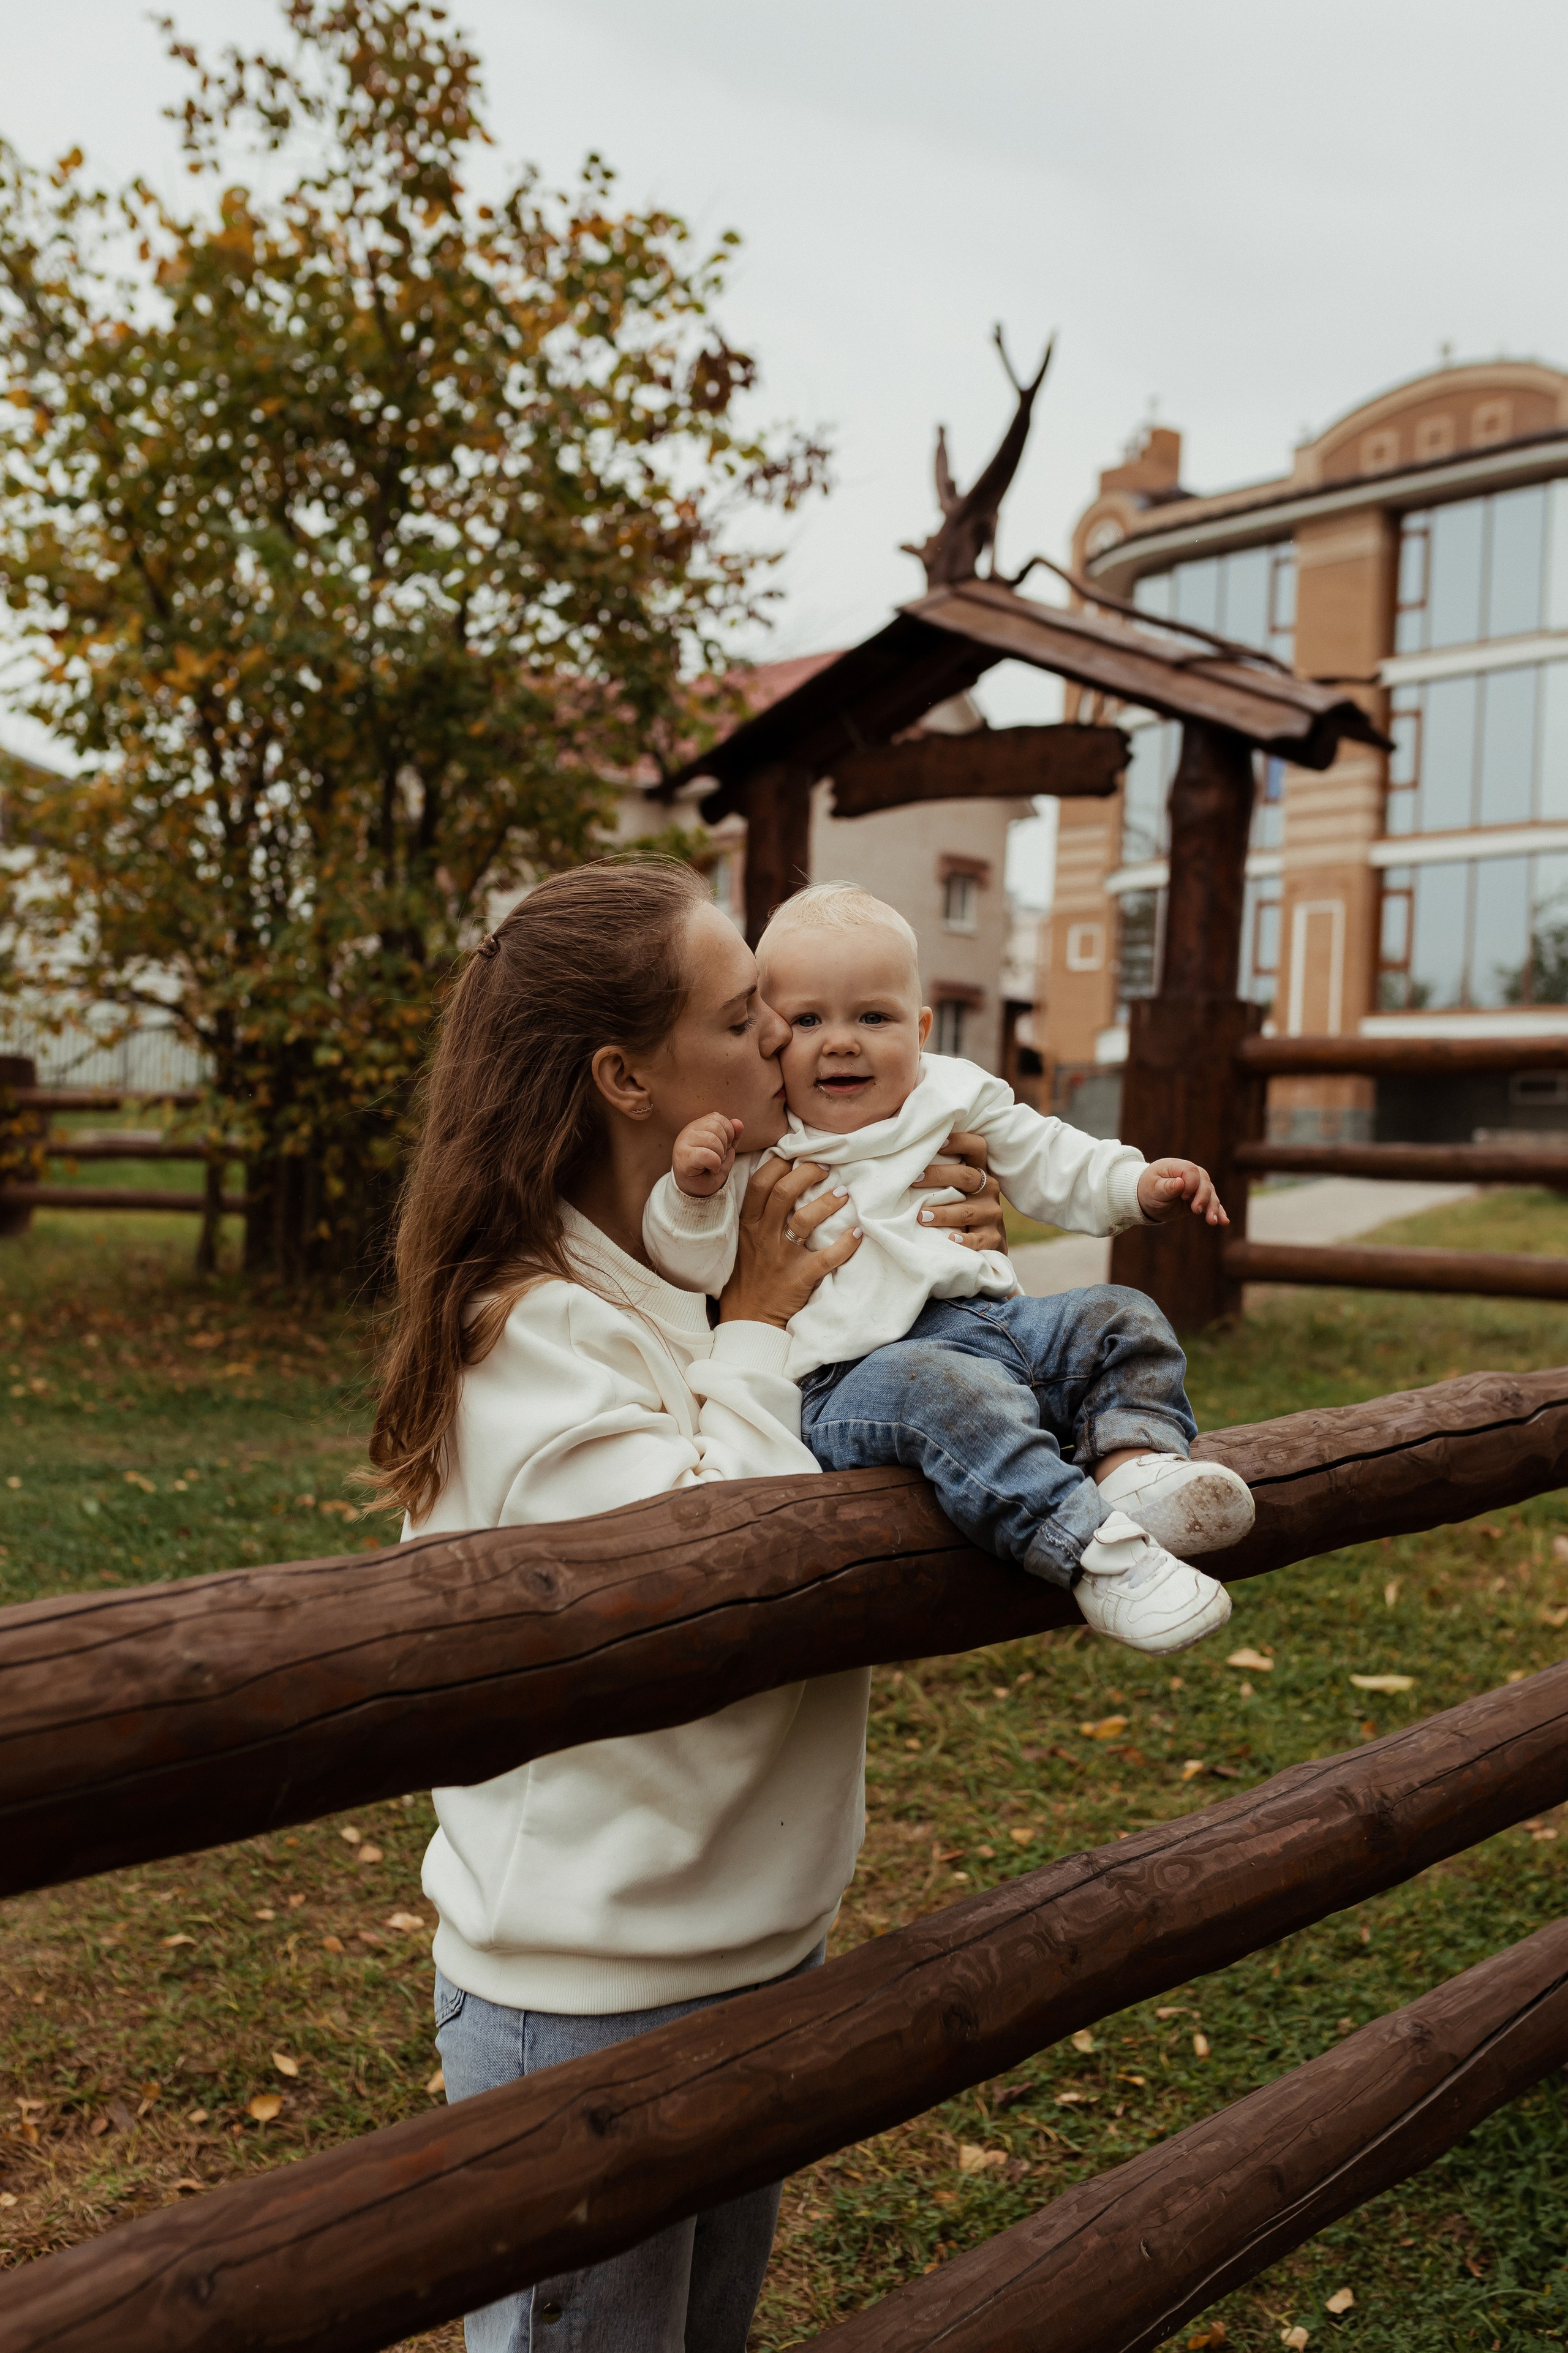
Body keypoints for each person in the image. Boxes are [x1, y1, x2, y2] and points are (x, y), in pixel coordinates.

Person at [368, 858, 1008, 2353]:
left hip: (748, 1954)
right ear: (626, 1076)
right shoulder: (521, 1334)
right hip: (589, 1999)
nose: (790, 1043)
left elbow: (858, 1427)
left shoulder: (685, 1274)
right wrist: (771, 1324)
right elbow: (701, 1580)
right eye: (743, 1019)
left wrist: (947, 1276)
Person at [643, 882, 1255, 1657]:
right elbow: (688, 1258)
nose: (840, 1041)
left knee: (1119, 1314)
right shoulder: (763, 1135)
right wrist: (693, 1192)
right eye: (806, 1020)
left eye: (873, 1016)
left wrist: (1135, 1185)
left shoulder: (953, 1092)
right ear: (769, 1036)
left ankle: (1136, 1465)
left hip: (995, 1327)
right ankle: (1098, 1557)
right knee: (947, 1390)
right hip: (855, 1377)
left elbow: (1048, 1154)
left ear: (921, 1027)